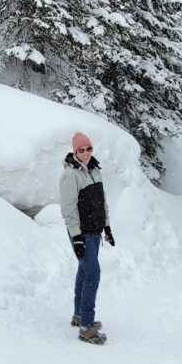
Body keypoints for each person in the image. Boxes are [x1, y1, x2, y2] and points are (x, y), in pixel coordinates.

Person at [58, 131, 115, 345]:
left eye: (88, 149)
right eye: (81, 150)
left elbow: (103, 202)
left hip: (95, 230)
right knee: (93, 273)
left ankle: (79, 315)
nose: (85, 153)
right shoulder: (70, 175)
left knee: (84, 271)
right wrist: (77, 237)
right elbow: (68, 209)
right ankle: (87, 328)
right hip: (80, 232)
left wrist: (107, 227)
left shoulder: (94, 170)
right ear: (75, 151)